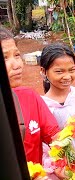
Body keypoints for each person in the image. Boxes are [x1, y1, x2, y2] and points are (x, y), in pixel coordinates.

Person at [0, 26, 60, 164]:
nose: (17, 65)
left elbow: (55, 138)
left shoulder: (29, 97)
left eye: (16, 55)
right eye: (5, 57)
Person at [39, 43, 75, 179]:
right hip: (60, 171)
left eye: (71, 70)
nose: (67, 76)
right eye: (59, 71)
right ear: (43, 71)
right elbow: (45, 147)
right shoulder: (42, 106)